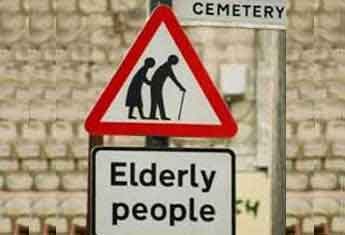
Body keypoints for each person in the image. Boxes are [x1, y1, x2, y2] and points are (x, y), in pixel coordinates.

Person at [149, 55, 186, 120]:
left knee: (157, 101)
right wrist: (181, 87)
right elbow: (174, 79)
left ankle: (155, 116)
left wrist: (181, 87)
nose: (175, 62)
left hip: (156, 85)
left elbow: (173, 78)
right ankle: (158, 116)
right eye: (175, 61)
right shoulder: (167, 67)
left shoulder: (166, 66)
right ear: (171, 60)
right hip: (156, 86)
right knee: (158, 101)